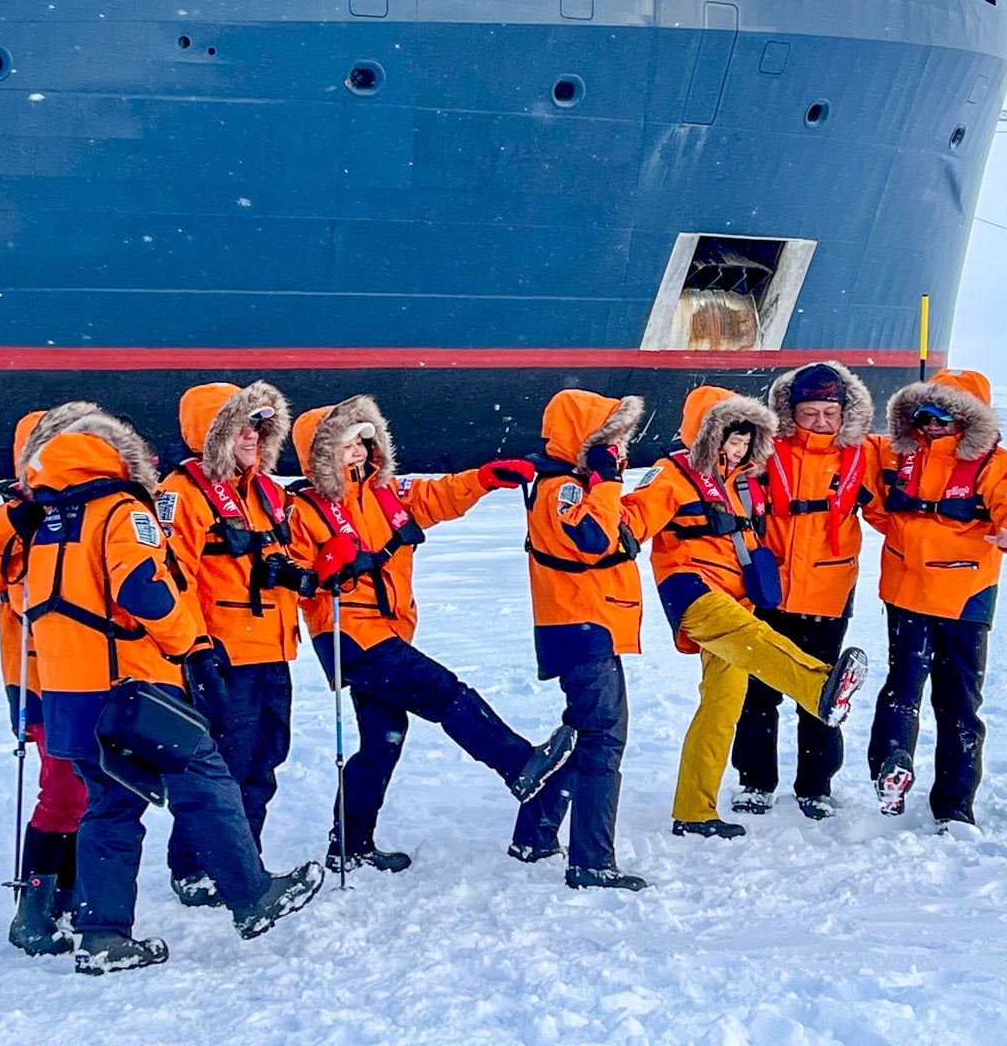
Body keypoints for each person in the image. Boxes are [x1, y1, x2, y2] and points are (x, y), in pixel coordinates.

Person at [3, 402, 321, 974]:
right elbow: (144, 589)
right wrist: (191, 646)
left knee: (110, 804)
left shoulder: (47, 518)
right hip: (132, 685)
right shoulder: (122, 509)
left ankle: (102, 934)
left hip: (69, 691)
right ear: (114, 454)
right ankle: (250, 895)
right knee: (207, 779)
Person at [285, 394, 578, 873]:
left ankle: (351, 845)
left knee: (383, 738)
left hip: (388, 630)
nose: (357, 451)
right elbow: (291, 576)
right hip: (350, 635)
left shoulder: (385, 493)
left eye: (362, 441)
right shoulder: (303, 510)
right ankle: (519, 765)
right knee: (443, 691)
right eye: (345, 444)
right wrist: (321, 571)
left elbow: (438, 496)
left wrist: (484, 479)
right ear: (320, 454)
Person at [621, 385, 868, 839]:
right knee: (757, 639)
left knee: (722, 705)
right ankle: (819, 687)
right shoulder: (671, 474)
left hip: (736, 595)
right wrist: (614, 520)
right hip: (692, 588)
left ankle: (694, 811)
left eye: (744, 441)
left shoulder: (740, 483)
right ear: (706, 435)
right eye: (729, 439)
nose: (736, 449)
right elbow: (635, 515)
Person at [155, 381, 316, 907]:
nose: (253, 435)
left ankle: (244, 864)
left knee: (264, 761)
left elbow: (280, 553)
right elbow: (172, 579)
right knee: (221, 768)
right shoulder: (181, 494)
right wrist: (195, 653)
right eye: (241, 426)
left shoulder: (267, 491)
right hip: (224, 655)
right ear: (213, 432)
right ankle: (193, 868)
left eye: (259, 426)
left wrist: (302, 572)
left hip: (273, 650)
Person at [866, 369, 1007, 832]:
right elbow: (848, 460)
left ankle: (954, 807)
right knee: (902, 688)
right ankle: (891, 767)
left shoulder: (997, 465)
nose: (931, 425)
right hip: (906, 593)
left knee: (959, 704)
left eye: (943, 417)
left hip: (965, 598)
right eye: (923, 415)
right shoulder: (894, 453)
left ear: (969, 420)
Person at [0, 409, 89, 956]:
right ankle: (32, 909)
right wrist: (15, 522)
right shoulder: (17, 517)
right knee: (64, 790)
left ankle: (67, 894)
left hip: (93, 670)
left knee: (89, 788)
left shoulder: (95, 508)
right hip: (41, 676)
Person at [509, 389, 649, 891]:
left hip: (582, 625)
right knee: (603, 741)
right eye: (612, 440)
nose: (620, 450)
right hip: (583, 626)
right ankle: (591, 860)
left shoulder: (566, 484)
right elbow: (592, 539)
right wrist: (607, 482)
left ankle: (535, 833)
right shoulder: (563, 488)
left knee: (584, 733)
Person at [731, 363, 881, 820]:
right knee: (758, 692)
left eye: (829, 412)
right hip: (768, 590)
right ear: (789, 411)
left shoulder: (863, 456)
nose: (819, 421)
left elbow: (892, 514)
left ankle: (816, 786)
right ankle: (755, 782)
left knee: (822, 692)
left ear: (845, 412)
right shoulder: (765, 451)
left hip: (828, 591)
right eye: (809, 412)